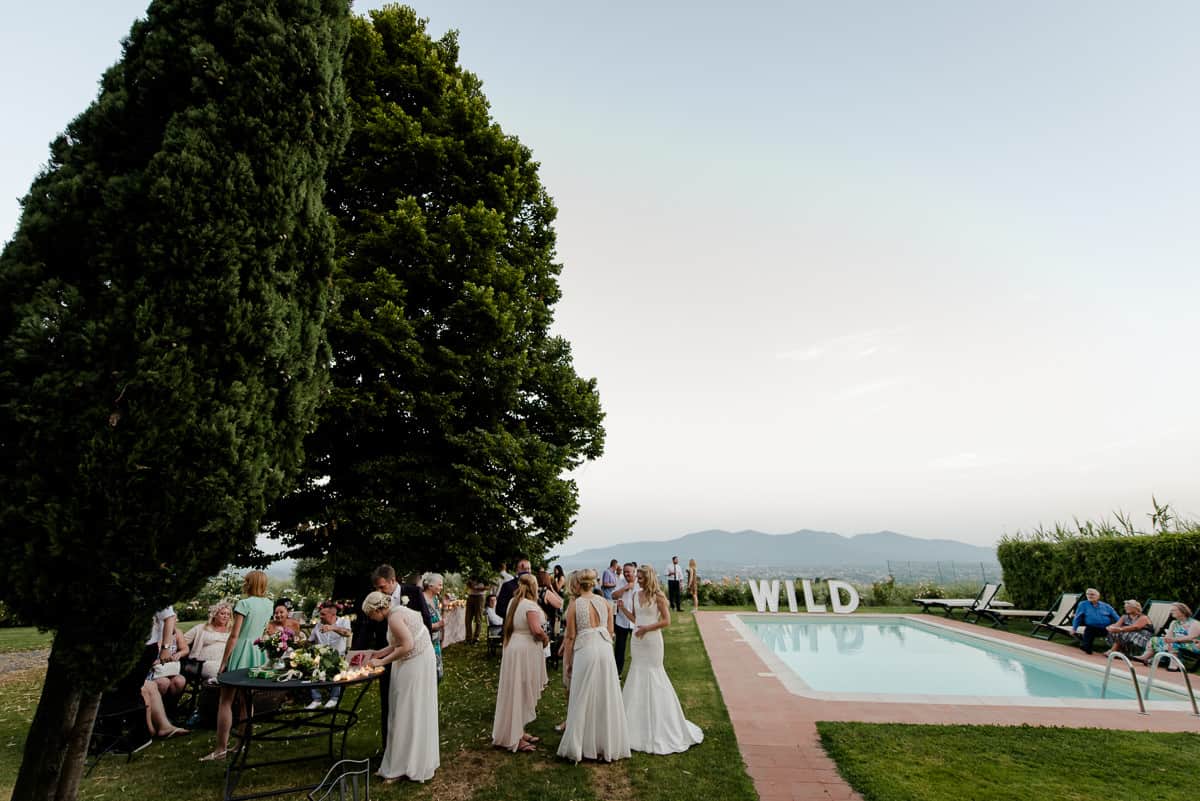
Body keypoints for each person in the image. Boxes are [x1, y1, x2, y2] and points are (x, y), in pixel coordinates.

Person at [622, 565, 703, 753]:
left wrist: (646, 629)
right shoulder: (635, 595)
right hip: (637, 641)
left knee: (655, 675)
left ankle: (662, 724)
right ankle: (633, 724)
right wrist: (624, 612)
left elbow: (666, 621)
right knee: (637, 673)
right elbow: (636, 619)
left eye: (641, 578)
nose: (638, 580)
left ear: (649, 577)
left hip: (652, 642)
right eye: (638, 577)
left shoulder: (658, 596)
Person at [363, 591, 440, 783]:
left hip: (414, 664)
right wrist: (378, 653)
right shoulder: (399, 611)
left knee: (406, 710)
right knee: (410, 709)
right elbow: (397, 642)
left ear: (377, 609)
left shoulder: (394, 618)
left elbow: (407, 645)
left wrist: (383, 662)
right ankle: (409, 760)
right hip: (418, 660)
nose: (371, 619)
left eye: (370, 614)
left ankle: (403, 766)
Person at [557, 569, 630, 763]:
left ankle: (580, 744)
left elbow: (571, 637)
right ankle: (604, 745)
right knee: (605, 694)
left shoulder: (575, 605)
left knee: (582, 695)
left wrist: (569, 663)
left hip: (586, 650)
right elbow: (611, 631)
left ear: (579, 584)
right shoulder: (605, 602)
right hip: (605, 649)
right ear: (594, 583)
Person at [201, 570, 273, 762]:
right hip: (257, 652)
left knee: (225, 700)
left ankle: (220, 749)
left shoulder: (244, 603)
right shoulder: (269, 604)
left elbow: (234, 636)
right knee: (246, 701)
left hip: (240, 651)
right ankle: (240, 745)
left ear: (250, 583)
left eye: (246, 581)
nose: (244, 583)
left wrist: (224, 661)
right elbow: (264, 630)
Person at [491, 574, 550, 751]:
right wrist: (546, 639)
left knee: (515, 689)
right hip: (525, 649)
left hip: (513, 647)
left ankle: (517, 730)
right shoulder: (530, 605)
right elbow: (535, 630)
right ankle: (515, 737)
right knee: (521, 690)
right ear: (534, 588)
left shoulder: (513, 602)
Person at [306, 601, 352, 709]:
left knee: (337, 666)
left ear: (333, 615)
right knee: (311, 666)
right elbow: (310, 641)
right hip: (321, 656)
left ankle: (334, 698)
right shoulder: (318, 625)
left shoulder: (343, 622)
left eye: (323, 614)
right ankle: (316, 699)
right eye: (320, 614)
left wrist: (333, 628)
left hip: (338, 656)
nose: (320, 616)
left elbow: (348, 633)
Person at [554, 571, 581, 733]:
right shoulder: (572, 601)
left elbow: (573, 632)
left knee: (572, 686)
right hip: (569, 642)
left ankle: (571, 721)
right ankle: (571, 718)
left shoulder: (576, 603)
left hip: (576, 646)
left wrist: (567, 648)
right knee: (568, 687)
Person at [183, 601, 234, 682]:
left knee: (234, 670)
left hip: (225, 663)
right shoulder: (201, 628)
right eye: (222, 613)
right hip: (201, 663)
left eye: (228, 614)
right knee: (220, 672)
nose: (225, 616)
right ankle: (215, 688)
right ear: (215, 614)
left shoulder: (231, 631)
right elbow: (182, 641)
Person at [1136, 603, 1200, 664]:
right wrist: (1167, 638)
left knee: (1173, 644)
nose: (1171, 612)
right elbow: (1169, 636)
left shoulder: (1194, 623)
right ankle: (1145, 657)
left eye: (1174, 610)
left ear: (1182, 611)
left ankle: (1174, 664)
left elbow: (1191, 637)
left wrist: (1174, 640)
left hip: (1192, 645)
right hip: (1176, 642)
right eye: (1171, 610)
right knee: (1154, 640)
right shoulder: (1174, 623)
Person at [1071, 588, 1119, 654]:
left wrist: (1119, 626)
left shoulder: (1106, 606)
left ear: (1098, 596)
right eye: (1087, 594)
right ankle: (1087, 648)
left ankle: (1085, 646)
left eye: (1092, 594)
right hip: (1092, 628)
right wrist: (1074, 628)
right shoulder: (1083, 604)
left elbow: (1116, 617)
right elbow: (1077, 617)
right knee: (1089, 630)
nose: (1089, 596)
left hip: (1106, 628)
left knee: (1114, 632)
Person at [611, 562, 638, 674]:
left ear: (634, 572)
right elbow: (613, 595)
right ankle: (618, 673)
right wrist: (625, 587)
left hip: (636, 621)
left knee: (637, 648)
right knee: (619, 649)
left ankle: (637, 673)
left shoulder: (639, 583)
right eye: (625, 571)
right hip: (621, 621)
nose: (626, 574)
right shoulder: (620, 582)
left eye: (629, 572)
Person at [422, 573, 447, 681]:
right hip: (425, 641)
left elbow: (441, 619)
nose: (441, 588)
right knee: (428, 674)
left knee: (438, 674)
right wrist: (436, 625)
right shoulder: (421, 600)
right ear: (430, 586)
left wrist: (445, 607)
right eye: (440, 585)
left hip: (436, 640)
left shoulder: (436, 598)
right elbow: (418, 624)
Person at [537, 569, 564, 638]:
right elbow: (560, 603)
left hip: (538, 621)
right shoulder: (546, 592)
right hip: (548, 623)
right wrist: (552, 589)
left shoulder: (535, 591)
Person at [465, 577, 490, 644]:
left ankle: (476, 637)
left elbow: (488, 587)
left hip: (480, 596)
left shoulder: (483, 575)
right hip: (470, 596)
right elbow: (467, 584)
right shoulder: (471, 575)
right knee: (468, 618)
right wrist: (470, 585)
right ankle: (468, 638)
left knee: (478, 618)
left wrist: (478, 588)